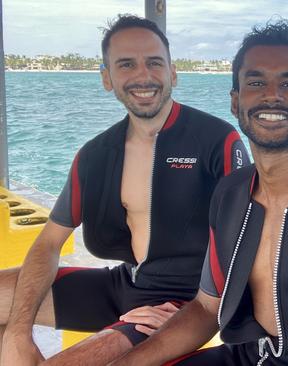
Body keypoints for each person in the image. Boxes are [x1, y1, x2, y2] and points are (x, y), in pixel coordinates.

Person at [111, 20, 288, 366]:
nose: (271, 94)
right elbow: (205, 307)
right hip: (246, 355)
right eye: (256, 82)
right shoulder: (230, 194)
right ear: (235, 102)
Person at [0, 15, 249, 365]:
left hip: (184, 302)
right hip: (123, 283)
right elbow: (48, 243)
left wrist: (197, 315)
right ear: (107, 78)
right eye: (126, 64)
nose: (143, 75)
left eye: (154, 62)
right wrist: (18, 330)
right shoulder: (96, 155)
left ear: (172, 73)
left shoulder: (216, 141)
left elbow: (249, 239)